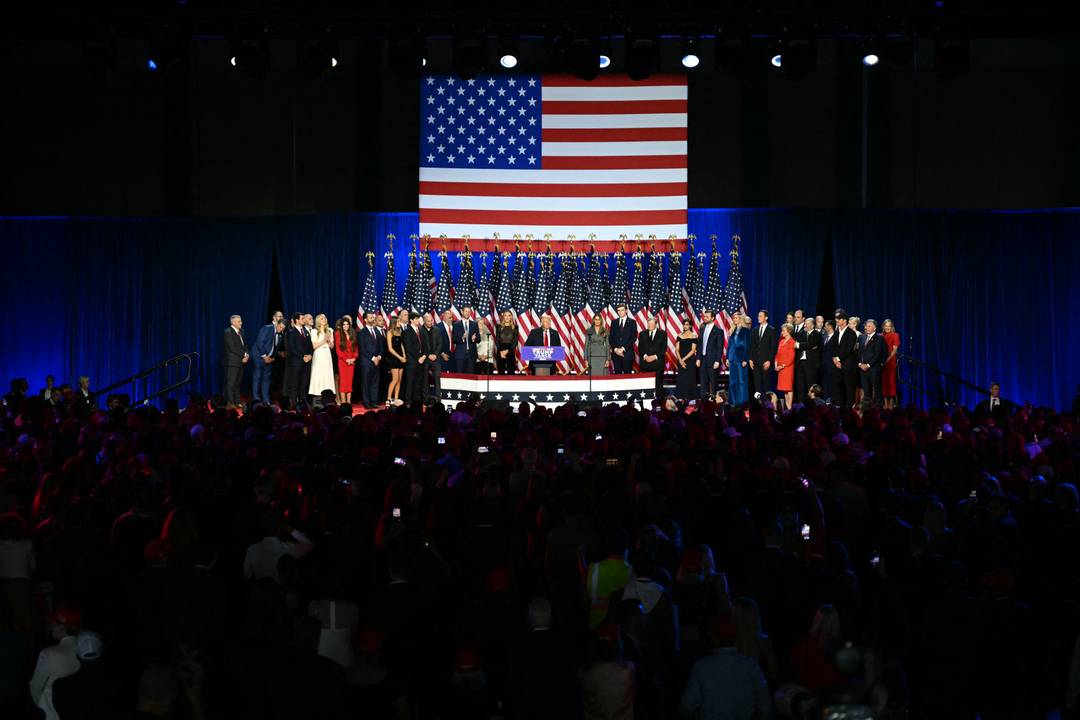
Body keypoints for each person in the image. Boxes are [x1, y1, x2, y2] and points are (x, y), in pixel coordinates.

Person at [680, 614, 771, 720]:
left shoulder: (701, 667)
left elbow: (687, 707)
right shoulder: (751, 666)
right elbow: (765, 707)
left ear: (713, 638)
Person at [29, 604, 83, 720]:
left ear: (62, 627)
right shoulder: (85, 650)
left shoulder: (47, 654)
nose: (51, 627)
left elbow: (36, 687)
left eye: (53, 624)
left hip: (51, 714)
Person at [252, 316, 283, 405]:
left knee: (266, 380)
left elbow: (276, 348)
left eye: (283, 328)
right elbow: (260, 342)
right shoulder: (267, 328)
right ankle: (256, 399)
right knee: (257, 377)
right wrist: (264, 356)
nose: (281, 329)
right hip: (259, 357)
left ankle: (266, 400)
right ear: (277, 324)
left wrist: (272, 358)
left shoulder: (280, 334)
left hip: (269, 359)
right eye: (280, 327)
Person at [831, 311, 858, 408]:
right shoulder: (836, 332)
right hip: (837, 364)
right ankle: (840, 406)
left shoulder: (851, 333)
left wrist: (838, 359)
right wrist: (835, 359)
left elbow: (849, 349)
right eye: (836, 318)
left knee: (849, 387)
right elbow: (833, 346)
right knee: (838, 385)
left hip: (847, 365)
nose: (836, 320)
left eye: (839, 319)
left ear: (844, 320)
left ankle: (849, 408)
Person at [858, 319, 886, 409]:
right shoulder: (862, 337)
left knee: (877, 390)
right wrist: (860, 364)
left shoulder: (880, 338)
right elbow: (858, 352)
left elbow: (879, 354)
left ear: (874, 328)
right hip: (863, 369)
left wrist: (868, 365)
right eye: (866, 326)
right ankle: (867, 410)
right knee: (866, 391)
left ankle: (879, 411)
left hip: (874, 369)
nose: (866, 327)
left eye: (869, 326)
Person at [355, 313, 381, 409]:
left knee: (375, 382)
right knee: (366, 382)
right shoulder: (361, 333)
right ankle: (366, 402)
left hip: (377, 361)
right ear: (365, 320)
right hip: (366, 362)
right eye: (370, 318)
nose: (373, 319)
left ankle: (374, 401)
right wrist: (373, 358)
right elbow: (362, 349)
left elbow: (380, 346)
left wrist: (379, 357)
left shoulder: (377, 331)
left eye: (373, 317)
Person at [308, 314, 336, 403]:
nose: (324, 319)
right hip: (318, 354)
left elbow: (332, 346)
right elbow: (314, 345)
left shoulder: (330, 330)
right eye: (322, 318)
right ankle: (317, 394)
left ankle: (328, 394)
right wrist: (324, 340)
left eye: (325, 318)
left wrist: (328, 340)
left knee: (327, 374)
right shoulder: (313, 331)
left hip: (327, 354)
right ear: (318, 320)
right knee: (318, 373)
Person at [222, 314, 249, 407]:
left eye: (241, 321)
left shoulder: (242, 331)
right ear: (233, 322)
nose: (241, 323)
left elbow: (245, 345)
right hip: (232, 362)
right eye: (239, 321)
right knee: (231, 383)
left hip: (241, 362)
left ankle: (237, 402)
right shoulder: (228, 332)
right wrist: (244, 355)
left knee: (238, 383)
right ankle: (230, 402)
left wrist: (247, 355)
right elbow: (232, 347)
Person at [749, 309, 777, 397]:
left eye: (761, 316)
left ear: (766, 318)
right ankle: (758, 406)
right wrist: (750, 359)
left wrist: (769, 360)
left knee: (766, 385)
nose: (758, 317)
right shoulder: (755, 330)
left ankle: (767, 406)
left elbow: (773, 347)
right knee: (757, 387)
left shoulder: (771, 330)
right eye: (758, 316)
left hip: (766, 362)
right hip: (755, 362)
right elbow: (752, 346)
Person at [697, 309, 723, 401]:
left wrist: (717, 360)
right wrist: (698, 358)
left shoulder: (719, 331)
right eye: (705, 316)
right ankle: (704, 403)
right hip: (703, 360)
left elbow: (720, 347)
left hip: (712, 361)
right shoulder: (702, 328)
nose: (705, 318)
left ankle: (713, 402)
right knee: (703, 383)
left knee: (713, 383)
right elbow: (700, 345)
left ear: (712, 318)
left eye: (707, 317)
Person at [794, 316, 821, 404]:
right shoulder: (801, 333)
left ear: (812, 326)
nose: (805, 325)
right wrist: (807, 346)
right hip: (800, 363)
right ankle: (801, 404)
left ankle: (811, 404)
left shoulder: (817, 334)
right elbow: (806, 345)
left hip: (811, 364)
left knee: (810, 384)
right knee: (800, 385)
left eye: (807, 324)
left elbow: (811, 344)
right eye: (805, 323)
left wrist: (800, 345)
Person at [638, 315, 666, 397]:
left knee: (658, 385)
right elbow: (640, 348)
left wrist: (654, 357)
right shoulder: (642, 334)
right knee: (646, 385)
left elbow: (663, 349)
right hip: (645, 364)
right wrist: (645, 357)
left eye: (651, 324)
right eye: (648, 324)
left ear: (656, 324)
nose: (649, 325)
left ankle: (659, 402)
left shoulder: (662, 334)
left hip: (657, 364)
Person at [403, 312, 427, 404]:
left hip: (421, 360)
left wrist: (424, 356)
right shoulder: (407, 332)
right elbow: (409, 347)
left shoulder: (421, 330)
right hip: (412, 361)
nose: (418, 320)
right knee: (410, 383)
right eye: (416, 319)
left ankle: (416, 402)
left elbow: (426, 345)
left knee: (418, 383)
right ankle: (408, 403)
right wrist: (418, 358)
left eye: (418, 318)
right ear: (411, 320)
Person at [726, 312, 749, 405]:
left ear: (740, 319)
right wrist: (727, 358)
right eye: (734, 318)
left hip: (741, 358)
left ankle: (742, 401)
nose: (734, 319)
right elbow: (729, 345)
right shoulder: (733, 330)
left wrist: (745, 359)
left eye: (736, 318)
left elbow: (747, 346)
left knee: (742, 381)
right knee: (733, 381)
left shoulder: (745, 331)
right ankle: (733, 401)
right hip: (732, 358)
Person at [384, 314, 406, 406]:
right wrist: (399, 357)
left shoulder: (400, 331)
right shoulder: (389, 332)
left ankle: (396, 399)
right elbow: (390, 348)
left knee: (399, 380)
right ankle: (388, 399)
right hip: (393, 358)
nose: (399, 323)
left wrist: (404, 356)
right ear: (394, 323)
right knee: (395, 379)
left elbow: (401, 345)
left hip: (401, 358)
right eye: (398, 322)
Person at [422, 313, 445, 402]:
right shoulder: (420, 330)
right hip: (425, 358)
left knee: (437, 379)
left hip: (436, 358)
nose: (431, 322)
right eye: (428, 321)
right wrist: (428, 355)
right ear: (424, 321)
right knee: (425, 380)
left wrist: (435, 354)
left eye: (431, 320)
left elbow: (440, 343)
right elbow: (421, 345)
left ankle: (438, 400)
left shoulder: (436, 330)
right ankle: (425, 399)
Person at [675, 318, 698, 402]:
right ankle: (681, 397)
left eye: (687, 324)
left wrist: (683, 359)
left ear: (690, 326)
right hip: (681, 361)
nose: (685, 326)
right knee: (682, 379)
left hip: (690, 361)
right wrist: (680, 360)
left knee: (690, 379)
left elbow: (693, 350)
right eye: (684, 324)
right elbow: (677, 349)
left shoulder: (693, 336)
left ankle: (690, 398)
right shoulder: (679, 336)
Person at [610, 304, 637, 374]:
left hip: (627, 354)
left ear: (626, 310)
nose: (620, 312)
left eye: (622, 310)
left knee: (627, 377)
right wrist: (615, 349)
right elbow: (611, 338)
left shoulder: (632, 322)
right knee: (617, 377)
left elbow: (633, 338)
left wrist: (622, 349)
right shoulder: (614, 322)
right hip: (616, 355)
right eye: (618, 310)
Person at [774, 323, 796, 409]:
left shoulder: (792, 342)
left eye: (783, 330)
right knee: (784, 389)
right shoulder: (781, 341)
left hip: (787, 368)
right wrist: (776, 364)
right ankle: (787, 406)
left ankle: (789, 407)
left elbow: (791, 357)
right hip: (780, 368)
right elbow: (777, 355)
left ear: (789, 331)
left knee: (789, 388)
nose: (782, 332)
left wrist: (782, 366)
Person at [453, 306, 480, 374]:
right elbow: (454, 339)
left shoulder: (474, 324)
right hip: (460, 355)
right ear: (462, 312)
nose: (468, 313)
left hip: (471, 355)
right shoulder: (456, 324)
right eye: (466, 311)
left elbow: (479, 339)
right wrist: (462, 338)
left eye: (469, 311)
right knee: (460, 376)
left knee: (471, 376)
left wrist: (474, 339)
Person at [881, 319, 901, 408]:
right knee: (883, 382)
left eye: (889, 326)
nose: (887, 327)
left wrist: (887, 359)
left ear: (892, 327)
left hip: (891, 361)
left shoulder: (895, 335)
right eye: (886, 326)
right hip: (881, 362)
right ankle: (885, 402)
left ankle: (891, 402)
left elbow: (894, 350)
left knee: (891, 382)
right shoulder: (880, 336)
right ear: (883, 326)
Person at [495, 310, 518, 375]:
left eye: (509, 315)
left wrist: (507, 351)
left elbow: (515, 342)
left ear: (511, 317)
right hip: (500, 351)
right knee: (501, 372)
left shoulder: (515, 328)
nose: (507, 317)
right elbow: (497, 341)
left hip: (510, 351)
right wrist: (501, 351)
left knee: (511, 372)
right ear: (503, 317)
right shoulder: (499, 327)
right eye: (505, 315)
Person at [820, 319, 837, 401]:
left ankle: (832, 399)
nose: (824, 327)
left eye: (826, 325)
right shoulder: (823, 336)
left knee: (832, 382)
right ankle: (825, 399)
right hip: (823, 364)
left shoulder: (836, 336)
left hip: (832, 364)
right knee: (824, 382)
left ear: (830, 326)